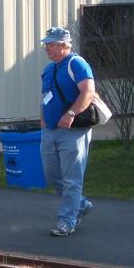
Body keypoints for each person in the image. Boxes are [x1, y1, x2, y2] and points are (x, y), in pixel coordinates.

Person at [39, 26, 96, 237]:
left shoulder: (76, 64)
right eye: (46, 44)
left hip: (73, 131)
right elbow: (46, 95)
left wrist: (71, 114)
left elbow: (88, 92)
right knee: (51, 175)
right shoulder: (48, 69)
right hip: (50, 130)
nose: (47, 48)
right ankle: (80, 204)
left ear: (64, 45)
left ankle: (67, 220)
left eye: (51, 44)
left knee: (72, 178)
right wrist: (43, 117)